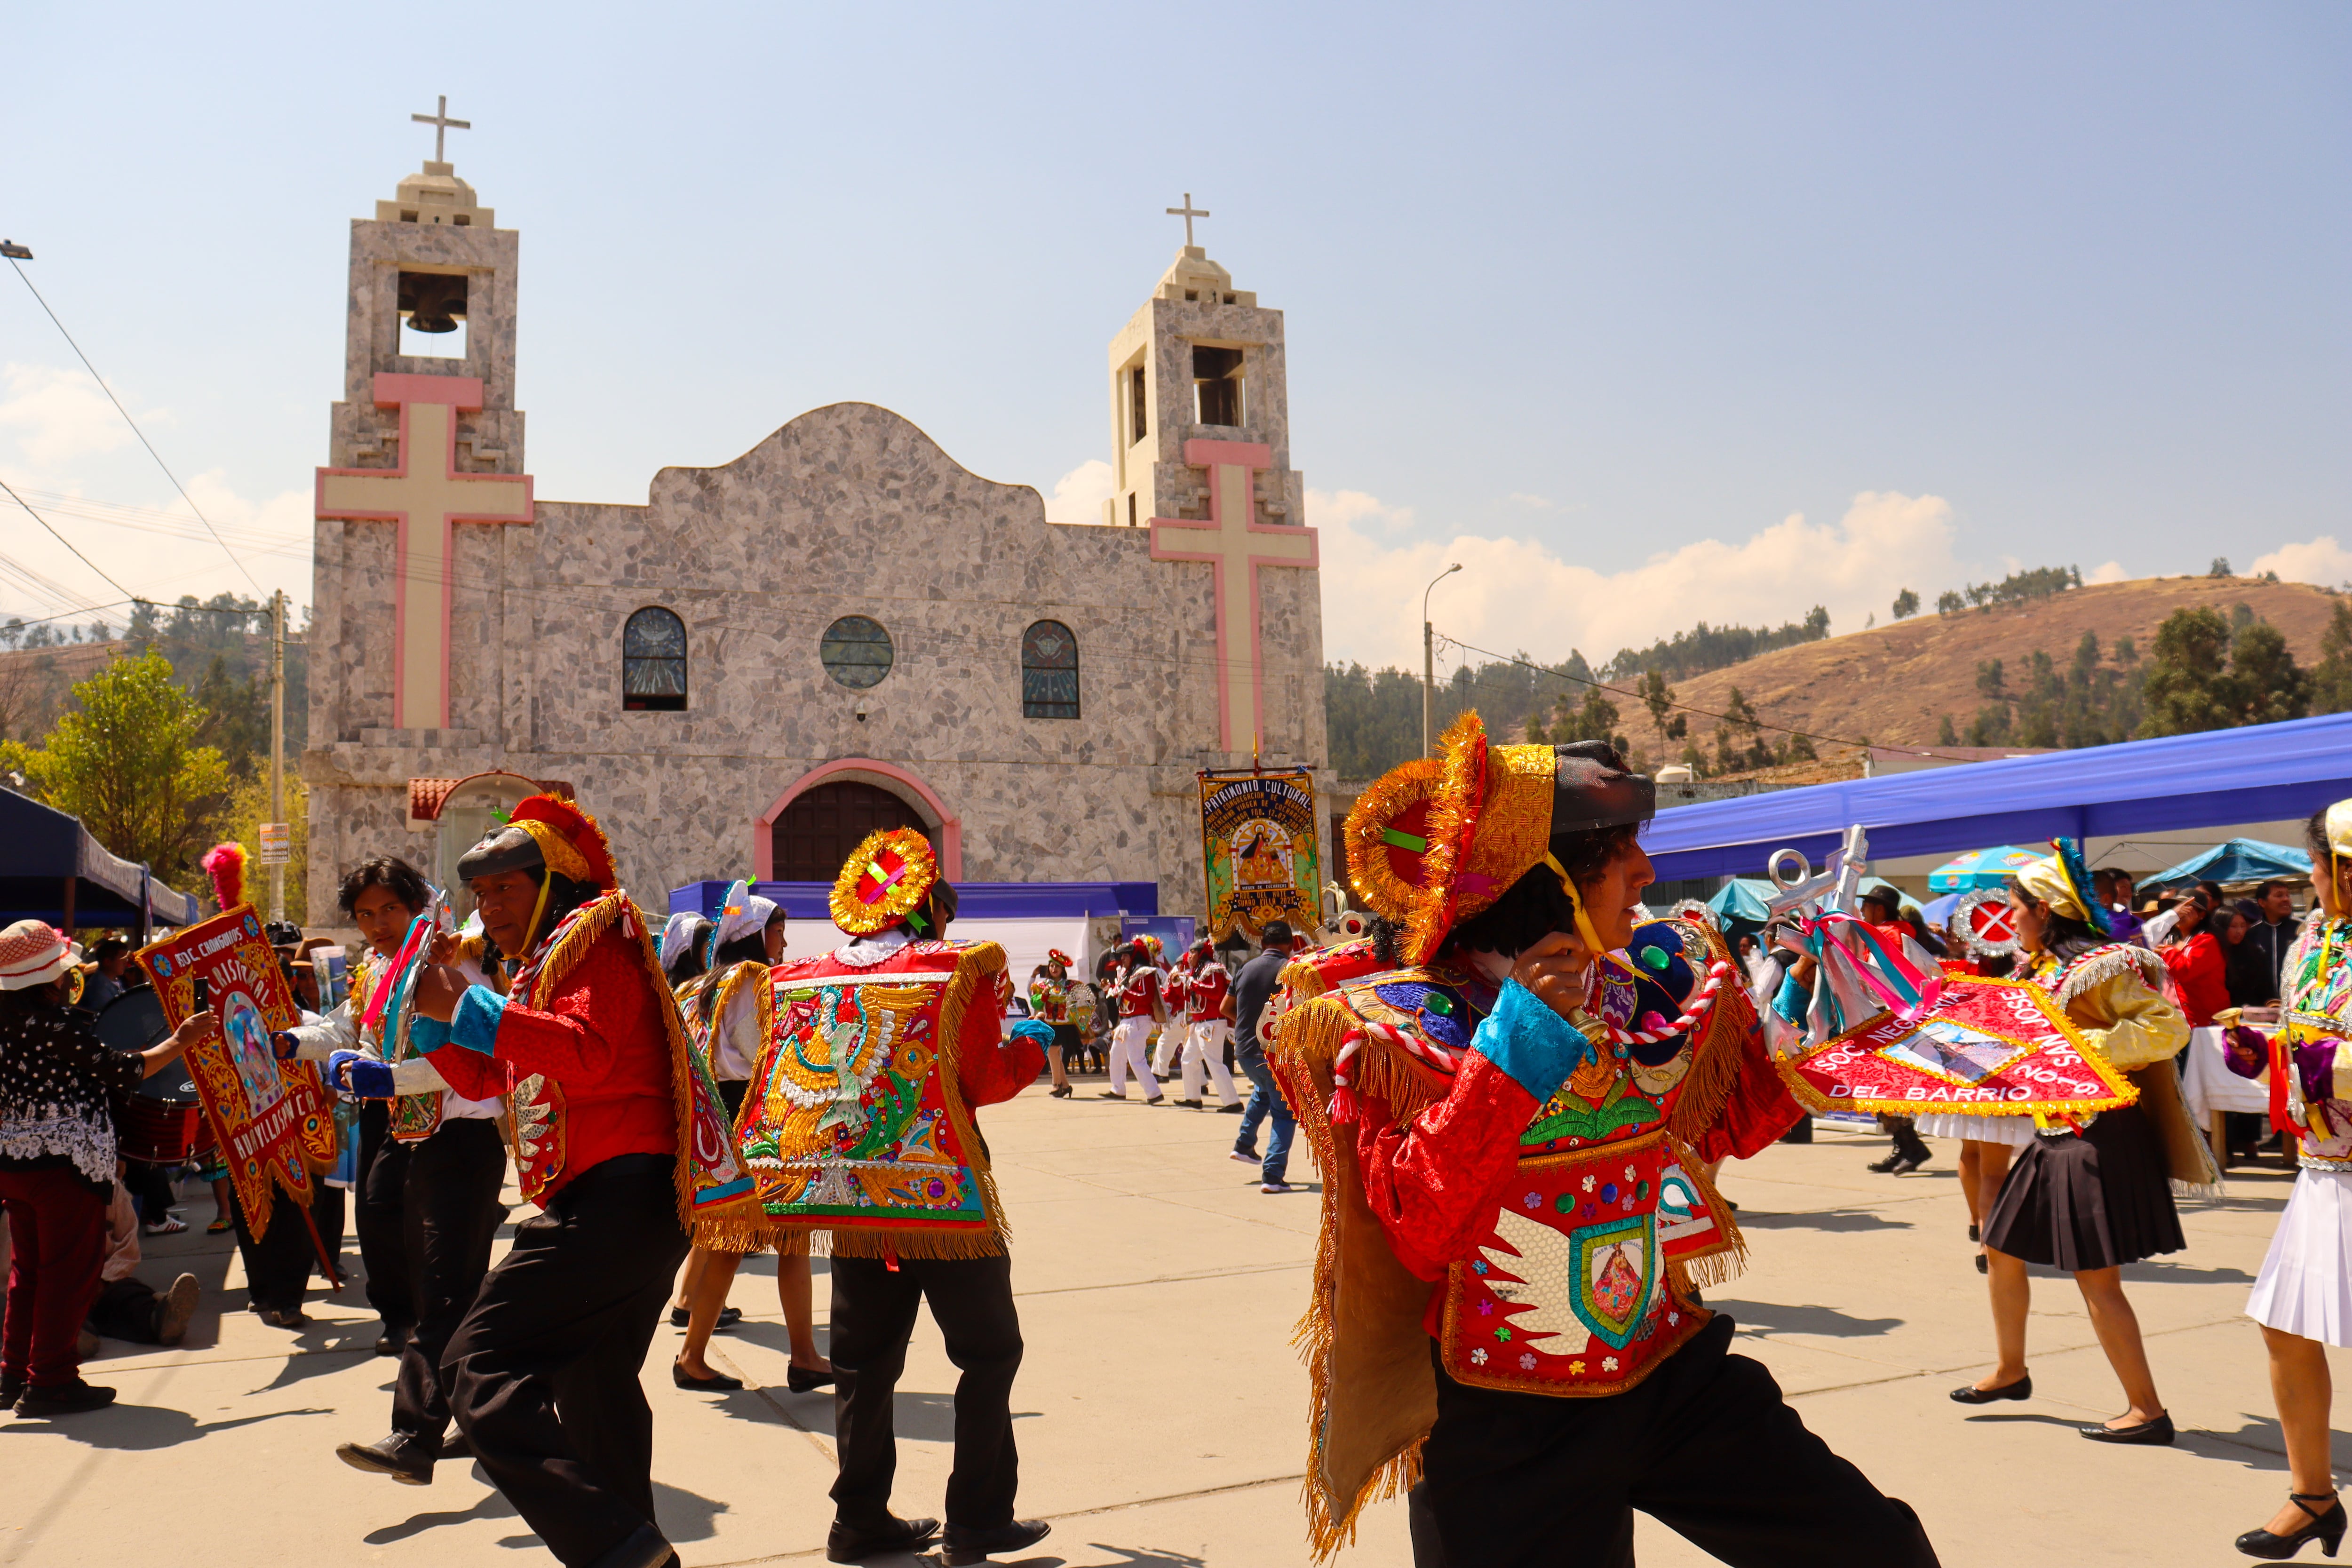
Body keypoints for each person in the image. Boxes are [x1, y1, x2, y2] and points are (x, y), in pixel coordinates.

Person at [1271, 719, 1939, 1567]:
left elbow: (1721, 1125)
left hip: (1670, 1371)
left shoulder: (1646, 984)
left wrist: (1842, 1031)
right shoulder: (1396, 1030)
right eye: (1616, 851)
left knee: (1877, 1549)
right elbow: (1420, 1228)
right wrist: (1514, 1045)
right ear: (1541, 876)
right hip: (1509, 1416)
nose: (1646, 872)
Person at [403, 793, 759, 1568]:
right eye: (480, 891)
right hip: (620, 1202)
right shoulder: (539, 964)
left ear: (551, 883)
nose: (487, 906)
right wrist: (422, 1035)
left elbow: (587, 1052)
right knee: (596, 1386)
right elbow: (496, 1069)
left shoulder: (597, 935)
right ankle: (637, 1549)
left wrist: (464, 1003)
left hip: (618, 1194)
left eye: (503, 888)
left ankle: (611, 1543)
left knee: (477, 1364)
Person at [732, 827, 1047, 1566]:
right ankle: (977, 1518)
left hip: (850, 1202)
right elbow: (984, 1081)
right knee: (990, 1352)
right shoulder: (951, 969)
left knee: (864, 1364)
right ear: (930, 908)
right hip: (941, 1203)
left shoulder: (807, 977)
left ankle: (859, 1520)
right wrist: (1031, 1043)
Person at [1952, 841, 2211, 1444]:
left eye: (2014, 905)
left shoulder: (2101, 967)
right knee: (1998, 1247)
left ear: (2043, 909)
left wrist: (2075, 1054)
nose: (2007, 916)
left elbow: (2165, 1027)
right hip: (2051, 1135)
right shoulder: (2034, 971)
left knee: (2096, 1279)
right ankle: (2010, 1370)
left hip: (2096, 1138)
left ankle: (2147, 1411)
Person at [296, 857, 511, 1486]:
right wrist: (318, 1050)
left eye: (388, 908)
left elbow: (469, 1064)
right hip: (414, 1139)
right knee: (449, 1290)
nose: (376, 922)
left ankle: (414, 1436)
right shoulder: (382, 971)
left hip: (463, 1142)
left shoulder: (453, 967)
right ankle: (491, 1413)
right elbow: (360, 1033)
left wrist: (385, 1077)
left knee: (444, 1292)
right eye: (364, 913)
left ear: (417, 904)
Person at [0, 919, 212, 1416]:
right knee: (66, 1275)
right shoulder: (59, 1026)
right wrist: (182, 1038)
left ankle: (12, 1374)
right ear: (47, 979)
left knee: (28, 1272)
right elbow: (129, 1071)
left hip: (14, 1161)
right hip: (63, 1167)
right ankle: (51, 1378)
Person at [2226, 804, 2352, 1559]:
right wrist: (2266, 1043)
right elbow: (2310, 1027)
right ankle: (2313, 1494)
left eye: (2317, 863)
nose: (2306, 877)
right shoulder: (2315, 937)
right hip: (2324, 1167)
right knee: (2287, 1325)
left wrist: (2316, 1064)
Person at [668, 884, 833, 1397]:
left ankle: (703, 1355)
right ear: (758, 935)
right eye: (778, 932)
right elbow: (763, 1052)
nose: (783, 942)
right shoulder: (754, 983)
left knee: (741, 1243)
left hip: (715, 1126)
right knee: (773, 1241)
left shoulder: (699, 986)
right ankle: (793, 1356)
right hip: (757, 1122)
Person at [83, 1174, 202, 1347]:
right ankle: (73, 1337)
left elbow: (128, 1248)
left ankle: (161, 1318)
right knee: (61, 1308)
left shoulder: (112, 1188)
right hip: (65, 1286)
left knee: (130, 1296)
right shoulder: (48, 1193)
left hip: (106, 1280)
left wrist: (103, 1280)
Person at [1228, 923, 1299, 1195]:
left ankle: (1244, 1145)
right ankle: (1273, 1174)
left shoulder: (1246, 968)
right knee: (1284, 1114)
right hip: (1275, 1053)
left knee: (1263, 1091)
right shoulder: (1292, 970)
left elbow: (1226, 1007)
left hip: (1245, 1052)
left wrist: (1252, 1026)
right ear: (1290, 944)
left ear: (1262, 943)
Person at [1172, 939, 1240, 1111]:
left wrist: (1192, 983)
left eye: (1193, 952)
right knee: (1188, 1060)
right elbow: (1191, 999)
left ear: (1201, 953)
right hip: (1200, 1024)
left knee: (1215, 1062)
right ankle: (1193, 1098)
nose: (1190, 956)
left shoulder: (1214, 969)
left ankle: (1233, 1102)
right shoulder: (1196, 972)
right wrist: (1179, 984)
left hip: (1213, 1023)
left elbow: (1217, 993)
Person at [1100, 937, 1168, 1104]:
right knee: (1116, 1055)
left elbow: (1145, 998)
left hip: (1138, 1022)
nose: (1122, 959)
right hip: (1126, 1022)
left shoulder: (1145, 973)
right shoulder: (1127, 973)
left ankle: (1154, 1093)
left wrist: (1124, 993)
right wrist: (1110, 989)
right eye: (1121, 956)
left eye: (1125, 956)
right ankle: (1118, 1089)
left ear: (1134, 956)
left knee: (1136, 1060)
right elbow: (1121, 994)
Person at [2160, 888, 2229, 1027]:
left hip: (2202, 1023)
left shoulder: (2207, 941)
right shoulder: (2171, 941)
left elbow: (2186, 970)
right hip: (2174, 1022)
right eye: (2178, 909)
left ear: (2202, 915)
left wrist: (2166, 951)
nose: (2181, 913)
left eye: (2188, 909)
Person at [1027, 950, 1076, 1098]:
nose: (1054, 969)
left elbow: (1078, 1004)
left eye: (1058, 967)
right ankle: (1066, 1086)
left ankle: (1057, 1085)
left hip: (1065, 1024)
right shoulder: (1042, 985)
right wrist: (1044, 995)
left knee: (1052, 1051)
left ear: (1063, 970)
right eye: (1052, 966)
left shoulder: (1070, 986)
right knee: (1054, 1053)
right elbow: (1035, 1002)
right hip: (1049, 1023)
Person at [2247, 878, 2304, 999]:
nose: (2286, 899)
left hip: (2297, 1002)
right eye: (2279, 896)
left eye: (2288, 896)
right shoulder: (2251, 934)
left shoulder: (2303, 929)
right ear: (2263, 903)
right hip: (2264, 1006)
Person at [2223, 899, 2279, 1010]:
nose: (2239, 931)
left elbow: (2266, 990)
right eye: (2233, 926)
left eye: (2243, 926)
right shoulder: (2213, 954)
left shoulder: (2255, 954)